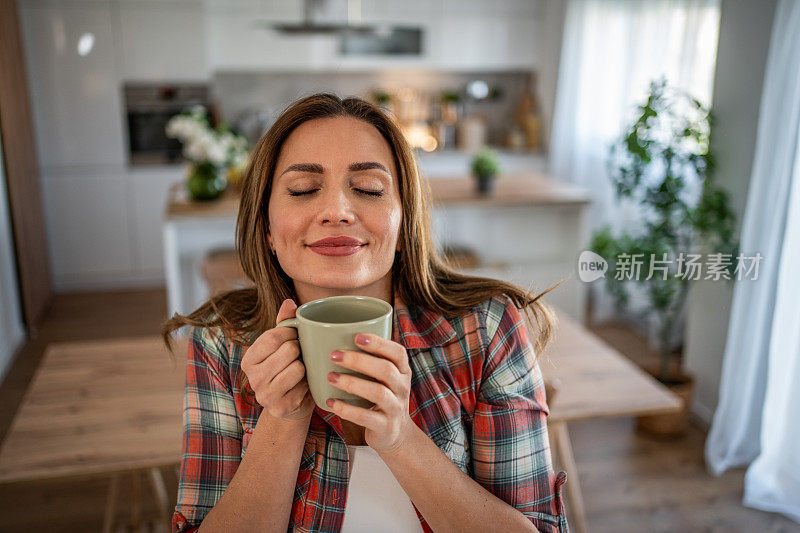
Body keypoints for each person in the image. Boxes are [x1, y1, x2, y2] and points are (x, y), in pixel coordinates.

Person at [161, 92, 569, 533]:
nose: (336, 212)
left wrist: (400, 440)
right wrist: (281, 422)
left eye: (368, 189)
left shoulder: (487, 328)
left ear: (402, 225)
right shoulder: (220, 343)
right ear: (267, 231)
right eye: (302, 190)